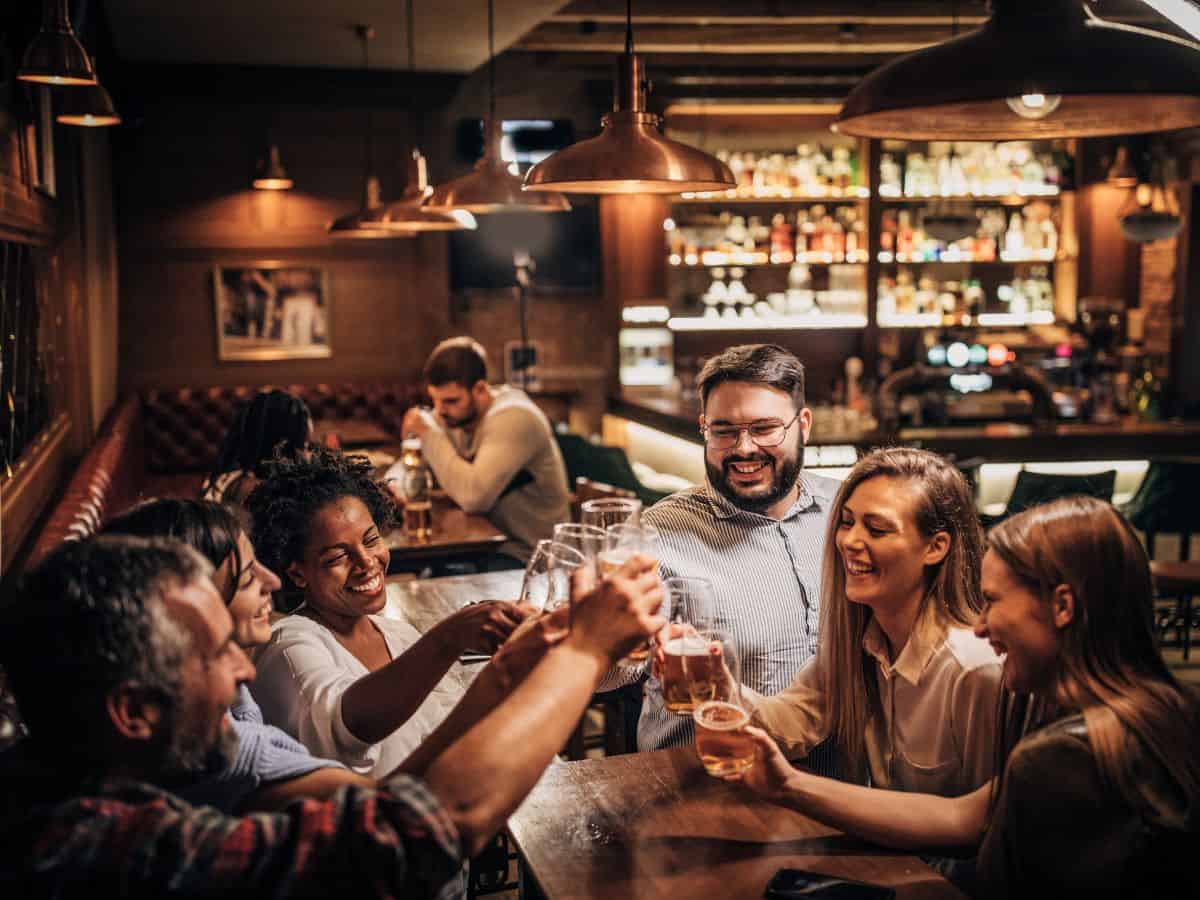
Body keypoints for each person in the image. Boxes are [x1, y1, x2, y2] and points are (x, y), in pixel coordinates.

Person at [0, 535, 664, 897]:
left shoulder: (83, 774)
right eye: (219, 654)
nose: (243, 672)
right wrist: (584, 650)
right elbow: (408, 835)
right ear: (136, 711)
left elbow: (385, 806)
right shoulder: (87, 850)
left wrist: (504, 676)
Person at [725, 497, 1199, 899]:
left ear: (1062, 606)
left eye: (992, 601)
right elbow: (963, 816)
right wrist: (786, 784)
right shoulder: (1170, 709)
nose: (980, 624)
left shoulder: (1064, 755)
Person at [599, 344, 838, 771]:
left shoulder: (850, 513)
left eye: (765, 428)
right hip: (706, 785)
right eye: (724, 430)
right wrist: (592, 636)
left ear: (803, 425)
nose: (743, 448)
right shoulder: (658, 535)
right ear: (704, 429)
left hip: (848, 790)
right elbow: (608, 674)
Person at [744, 446, 1013, 797]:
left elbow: (989, 827)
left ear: (936, 547)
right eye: (847, 522)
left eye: (876, 529)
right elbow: (785, 725)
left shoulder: (975, 670)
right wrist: (709, 680)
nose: (849, 541)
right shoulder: (862, 643)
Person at [247, 447, 531, 776]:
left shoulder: (397, 635)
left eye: (371, 540)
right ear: (298, 573)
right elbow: (347, 727)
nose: (367, 562)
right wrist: (450, 636)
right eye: (338, 557)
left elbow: (447, 732)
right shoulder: (289, 645)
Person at [102, 498, 373, 812]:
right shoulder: (217, 747)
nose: (273, 581)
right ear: (197, 600)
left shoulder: (231, 699)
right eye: (246, 577)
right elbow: (400, 815)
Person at [385, 336, 569, 562]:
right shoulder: (455, 416)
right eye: (435, 400)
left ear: (480, 389)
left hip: (531, 557)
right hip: (487, 549)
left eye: (451, 401)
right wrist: (394, 485)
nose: (440, 411)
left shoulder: (516, 418)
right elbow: (410, 464)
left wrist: (428, 434)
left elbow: (473, 497)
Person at [202, 389, 313, 506]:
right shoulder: (259, 492)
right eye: (305, 446)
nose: (308, 454)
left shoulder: (226, 478)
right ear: (282, 445)